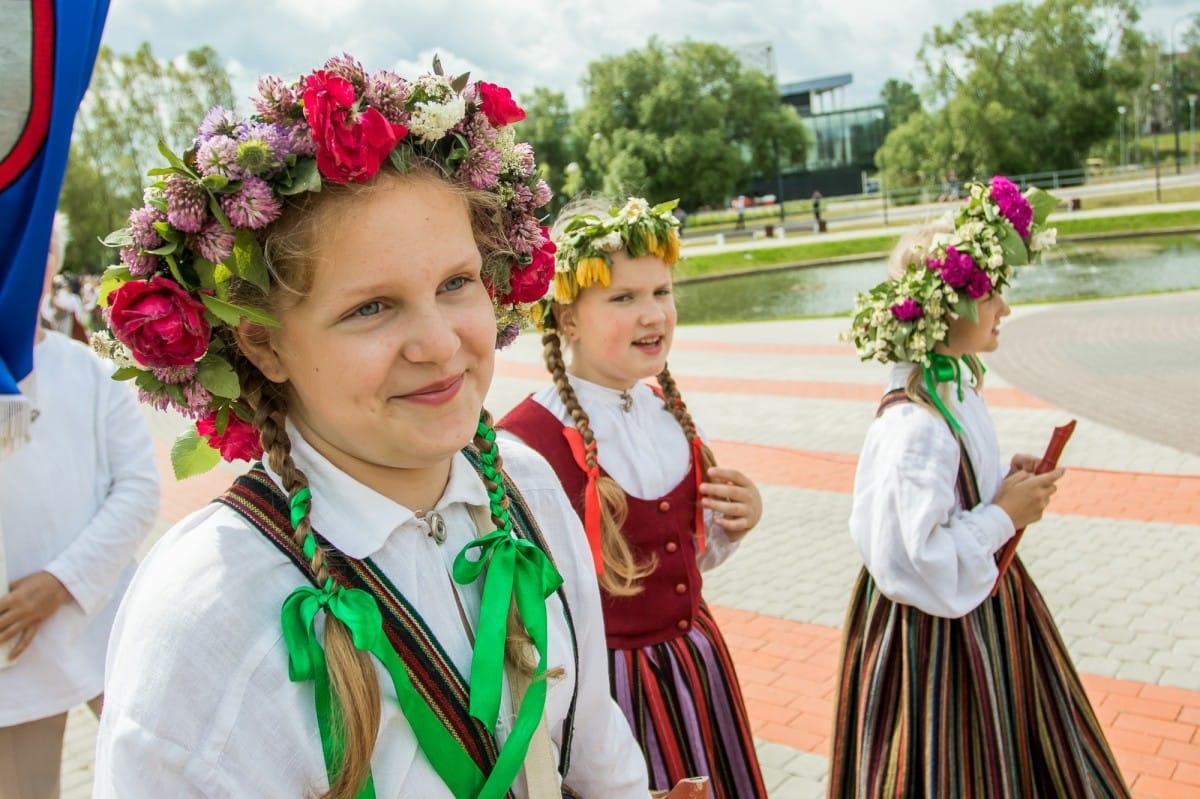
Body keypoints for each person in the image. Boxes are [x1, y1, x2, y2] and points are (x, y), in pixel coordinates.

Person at [89, 56, 653, 799]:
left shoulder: (528, 487)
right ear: (264, 345)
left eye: (456, 283)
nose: (440, 344)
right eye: (371, 308)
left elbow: (596, 745)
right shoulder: (209, 610)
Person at [829, 177, 1131, 797]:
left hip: (983, 608)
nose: (1006, 310)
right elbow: (914, 558)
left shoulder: (955, 383)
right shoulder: (914, 424)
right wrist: (1001, 516)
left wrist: (1001, 484)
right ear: (946, 308)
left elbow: (952, 494)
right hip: (934, 640)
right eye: (992, 294)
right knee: (948, 767)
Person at [497, 196, 768, 799]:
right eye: (624, 298)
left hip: (697, 668)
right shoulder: (527, 443)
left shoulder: (666, 411)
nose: (653, 314)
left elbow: (681, 557)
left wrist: (735, 525)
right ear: (567, 317)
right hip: (611, 692)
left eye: (661, 292)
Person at [0, 211, 160, 799]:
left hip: (103, 619)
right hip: (13, 648)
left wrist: (60, 581)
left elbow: (140, 491)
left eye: (37, 251)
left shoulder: (90, 371)